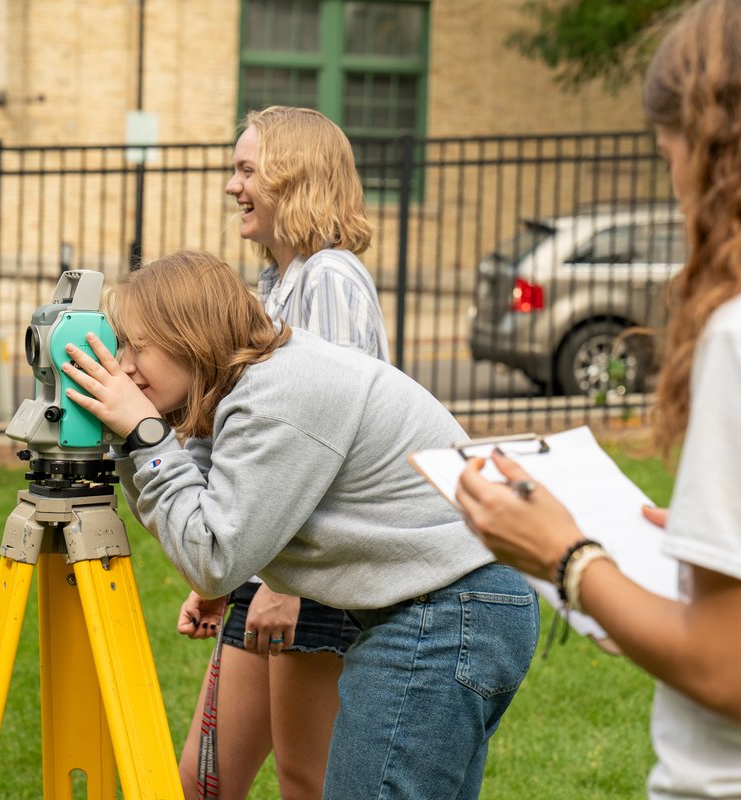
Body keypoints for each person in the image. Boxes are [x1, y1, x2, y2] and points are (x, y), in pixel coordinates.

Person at [454, 0, 741, 797]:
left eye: (669, 152)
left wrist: (567, 558)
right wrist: (716, 539)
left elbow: (733, 671)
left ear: (716, 150)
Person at [59, 250, 538, 800]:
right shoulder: (251, 387)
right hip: (460, 607)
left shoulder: (277, 397)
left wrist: (145, 437)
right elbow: (194, 521)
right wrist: (135, 441)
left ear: (189, 336)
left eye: (135, 346)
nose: (123, 366)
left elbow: (211, 559)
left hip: (447, 613)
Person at [169, 104, 390, 800]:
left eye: (246, 170)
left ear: (293, 177)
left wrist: (281, 588)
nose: (232, 186)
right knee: (204, 781)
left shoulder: (330, 278)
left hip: (310, 579)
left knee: (306, 782)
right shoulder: (280, 284)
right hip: (273, 574)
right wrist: (222, 581)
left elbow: (324, 446)